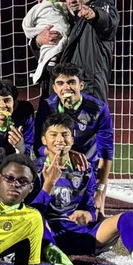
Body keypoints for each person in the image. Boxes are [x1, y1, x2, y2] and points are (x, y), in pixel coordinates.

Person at [32, 115, 133, 265]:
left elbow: (91, 207)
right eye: (53, 135)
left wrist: (88, 215)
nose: (60, 139)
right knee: (35, 219)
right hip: (51, 233)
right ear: (44, 140)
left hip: (82, 233)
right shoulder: (34, 170)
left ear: (72, 140)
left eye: (65, 135)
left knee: (127, 217)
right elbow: (29, 210)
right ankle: (50, 251)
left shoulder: (85, 170)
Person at [34, 63, 114, 214]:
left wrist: (101, 189)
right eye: (60, 83)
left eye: (71, 82)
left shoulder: (98, 109)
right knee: (47, 212)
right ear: (55, 88)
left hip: (87, 168)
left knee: (93, 216)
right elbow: (39, 145)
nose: (66, 88)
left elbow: (106, 151)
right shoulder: (47, 106)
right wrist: (66, 154)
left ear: (81, 85)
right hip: (55, 164)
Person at [35, 0, 119, 101]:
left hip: (88, 90)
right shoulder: (64, 17)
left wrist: (95, 15)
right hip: (62, 89)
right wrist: (37, 41)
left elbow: (108, 23)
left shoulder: (101, 7)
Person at [21, 0, 70, 84]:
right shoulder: (39, 8)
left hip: (65, 41)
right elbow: (27, 25)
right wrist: (37, 34)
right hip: (51, 37)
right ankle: (46, 68)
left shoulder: (67, 7)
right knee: (49, 50)